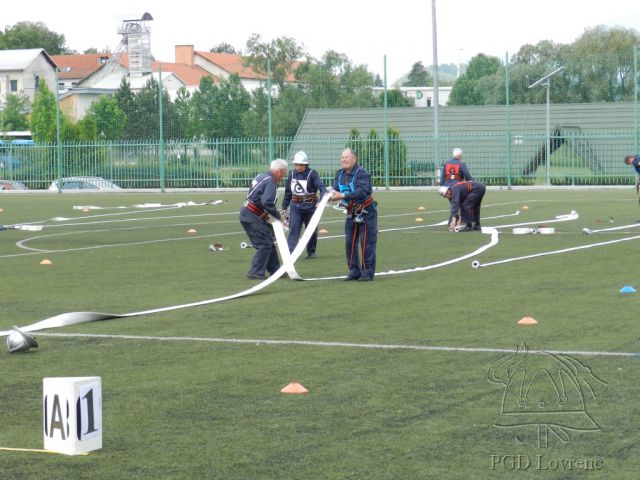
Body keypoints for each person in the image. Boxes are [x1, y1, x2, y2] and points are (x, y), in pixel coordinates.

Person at [330, 148, 377, 281]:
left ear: (354, 159)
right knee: (349, 242)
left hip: (367, 212)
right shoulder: (339, 174)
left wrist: (343, 195)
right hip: (351, 213)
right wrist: (327, 197)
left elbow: (363, 191)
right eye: (342, 157)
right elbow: (335, 190)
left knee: (366, 243)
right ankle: (354, 270)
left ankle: (367, 272)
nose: (343, 159)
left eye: (346, 157)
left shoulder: (362, 173)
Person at [239, 159, 288, 279]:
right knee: (264, 244)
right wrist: (278, 216)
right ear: (280, 171)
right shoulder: (271, 182)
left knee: (268, 242)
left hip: (248, 213)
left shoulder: (261, 176)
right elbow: (267, 203)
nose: (283, 177)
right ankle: (254, 272)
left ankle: (276, 271)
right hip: (253, 215)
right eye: (284, 174)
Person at [281, 151, 327, 259]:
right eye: (296, 165)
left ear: (305, 165)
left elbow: (322, 188)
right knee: (294, 228)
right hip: (295, 206)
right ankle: (290, 253)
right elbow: (288, 192)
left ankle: (311, 252)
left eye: (301, 165)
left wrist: (321, 201)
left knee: (311, 229)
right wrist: (284, 207)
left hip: (310, 206)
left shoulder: (312, 174)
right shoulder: (291, 174)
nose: (298, 167)